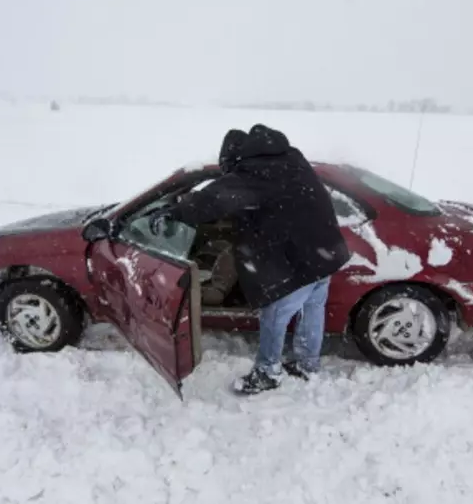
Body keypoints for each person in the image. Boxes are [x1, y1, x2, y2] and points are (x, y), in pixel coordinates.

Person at [149, 124, 351, 394]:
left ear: (235, 160)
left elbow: (215, 198)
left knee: (274, 315)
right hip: (322, 252)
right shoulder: (289, 158)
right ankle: (307, 363)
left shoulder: (255, 172)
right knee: (313, 308)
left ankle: (268, 372)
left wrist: (176, 211)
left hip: (300, 258)